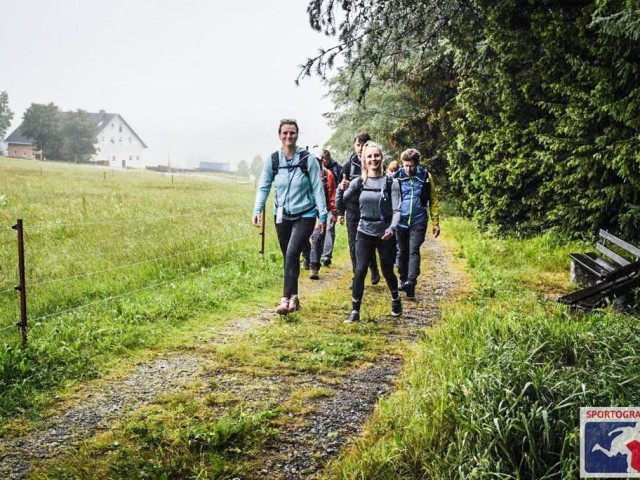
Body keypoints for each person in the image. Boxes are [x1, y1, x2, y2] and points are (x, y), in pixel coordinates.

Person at [252, 119, 327, 315]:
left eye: (292, 133)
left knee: (293, 253)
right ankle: (294, 298)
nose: (288, 136)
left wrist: (322, 215)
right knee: (288, 257)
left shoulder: (308, 159)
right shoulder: (273, 160)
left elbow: (318, 188)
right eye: (285, 133)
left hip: (306, 214)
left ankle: (284, 300)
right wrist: (257, 210)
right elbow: (264, 186)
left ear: (297, 135)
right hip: (282, 214)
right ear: (279, 135)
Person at [340, 141, 402, 323]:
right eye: (369, 156)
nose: (373, 159)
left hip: (385, 233)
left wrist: (392, 228)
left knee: (387, 269)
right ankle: (355, 311)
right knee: (360, 271)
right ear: (364, 160)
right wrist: (342, 189)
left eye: (376, 156)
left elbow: (397, 210)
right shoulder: (358, 182)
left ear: (382, 158)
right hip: (364, 230)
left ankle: (395, 298)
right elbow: (344, 199)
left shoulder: (392, 182)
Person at [393, 148, 440, 299]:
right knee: (402, 251)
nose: (408, 169)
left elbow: (433, 198)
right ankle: (403, 279)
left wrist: (436, 222)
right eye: (405, 165)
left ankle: (411, 282)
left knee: (413, 250)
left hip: (418, 219)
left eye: (411, 166)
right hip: (400, 220)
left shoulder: (425, 176)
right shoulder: (397, 176)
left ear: (417, 164)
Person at [336, 132, 381, 286]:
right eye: (358, 145)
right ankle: (357, 277)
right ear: (354, 146)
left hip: (370, 210)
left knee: (370, 242)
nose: (361, 148)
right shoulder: (347, 166)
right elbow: (340, 190)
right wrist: (340, 212)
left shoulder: (376, 164)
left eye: (364, 144)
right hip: (353, 209)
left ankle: (374, 269)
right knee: (353, 243)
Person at [309, 152, 337, 279]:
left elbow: (332, 195)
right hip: (307, 210)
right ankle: (307, 258)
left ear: (322, 161)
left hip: (322, 210)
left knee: (317, 236)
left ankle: (314, 267)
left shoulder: (328, 174)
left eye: (318, 160)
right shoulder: (305, 174)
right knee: (306, 237)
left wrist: (333, 212)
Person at [320, 148, 341, 267]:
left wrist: (335, 210)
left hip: (330, 203)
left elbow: (334, 191)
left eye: (324, 160)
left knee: (329, 228)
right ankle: (314, 255)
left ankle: (326, 255)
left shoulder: (335, 170)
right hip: (318, 206)